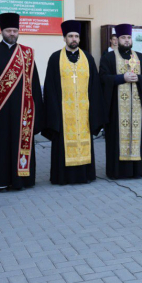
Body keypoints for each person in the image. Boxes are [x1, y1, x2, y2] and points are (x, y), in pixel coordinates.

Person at [0, 13, 44, 192]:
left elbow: (34, 83)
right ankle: (1, 181)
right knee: (1, 145)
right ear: (2, 31)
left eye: (15, 30)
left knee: (20, 143)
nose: (12, 34)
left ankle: (23, 180)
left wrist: (38, 113)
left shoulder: (27, 53)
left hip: (23, 111)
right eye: (9, 30)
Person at [42, 20, 106, 185]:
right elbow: (50, 87)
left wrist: (94, 112)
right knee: (62, 144)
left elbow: (95, 87)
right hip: (63, 113)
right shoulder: (55, 58)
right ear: (64, 38)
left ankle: (85, 175)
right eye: (70, 36)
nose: (74, 39)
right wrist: (54, 113)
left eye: (76, 36)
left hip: (84, 112)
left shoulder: (88, 58)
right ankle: (62, 177)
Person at [99, 24, 142, 179]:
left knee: (137, 138)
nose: (126, 40)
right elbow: (102, 78)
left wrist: (139, 78)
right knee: (116, 139)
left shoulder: (140, 57)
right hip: (116, 109)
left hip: (136, 108)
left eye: (129, 37)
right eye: (123, 37)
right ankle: (117, 171)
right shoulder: (108, 58)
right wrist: (121, 78)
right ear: (117, 39)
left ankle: (138, 170)